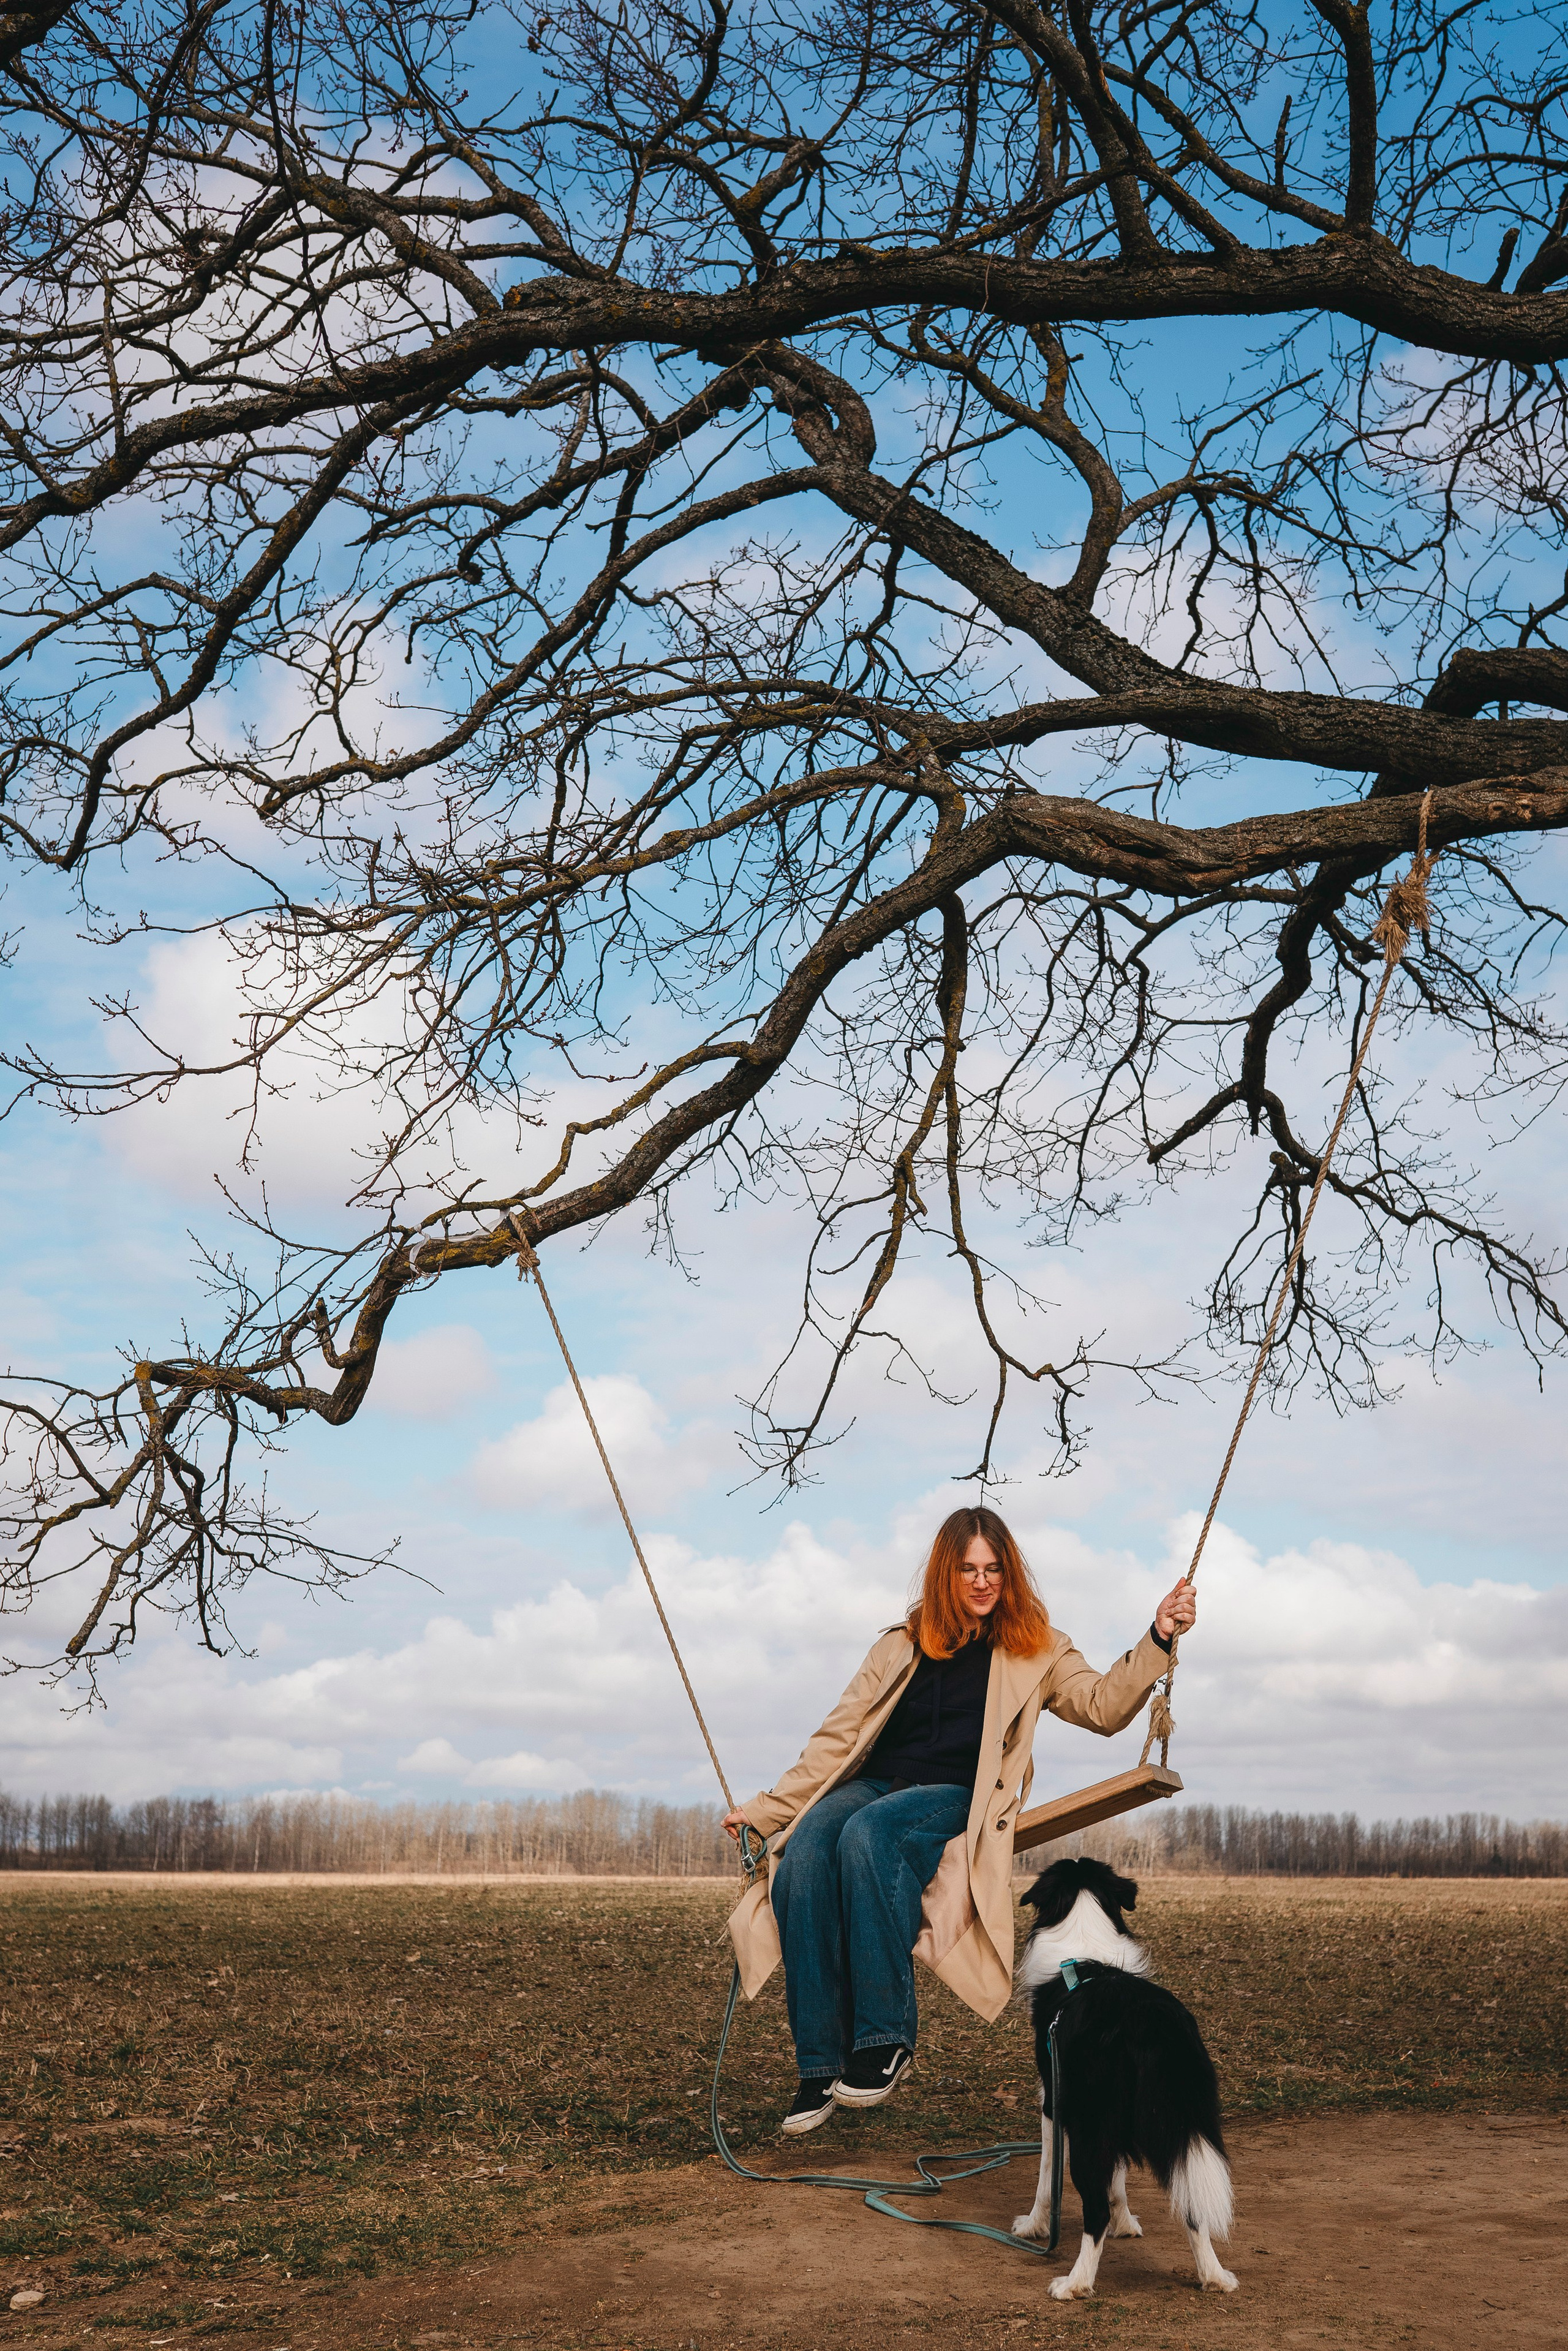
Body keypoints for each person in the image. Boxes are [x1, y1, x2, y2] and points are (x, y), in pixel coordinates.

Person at [722, 1505, 1196, 2135]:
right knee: (804, 1851)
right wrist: (765, 1813)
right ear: (946, 1574)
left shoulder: (1038, 1648)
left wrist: (1158, 1637)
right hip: (873, 1781)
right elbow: (835, 1741)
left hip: (957, 1793)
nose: (981, 1581)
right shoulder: (900, 1644)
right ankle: (818, 2062)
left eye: (993, 1568)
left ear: (1009, 1573)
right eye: (968, 1569)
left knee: (871, 1835)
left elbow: (1102, 1705)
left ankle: (882, 2038)